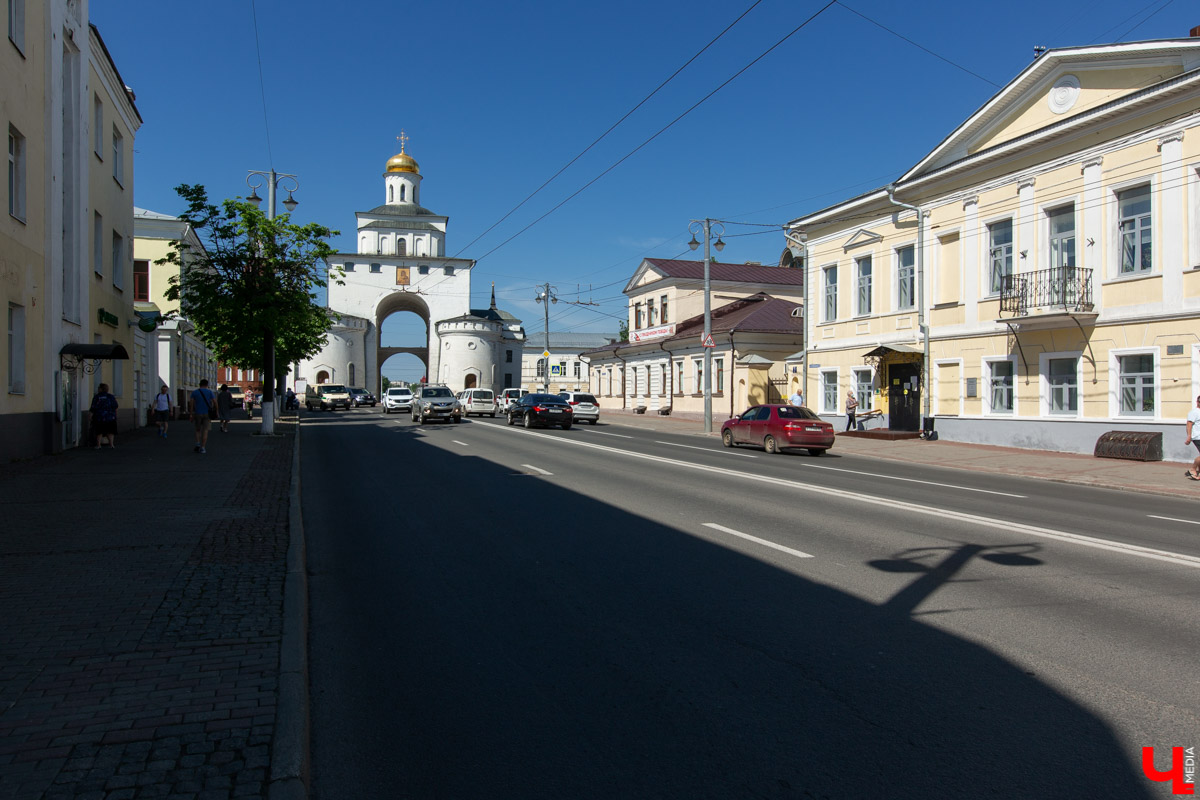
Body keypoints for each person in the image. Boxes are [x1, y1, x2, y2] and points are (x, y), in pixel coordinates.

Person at [189, 379, 216, 454]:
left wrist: (191, 414)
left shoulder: (195, 392)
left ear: (199, 384)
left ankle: (197, 443)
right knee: (205, 430)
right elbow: (215, 402)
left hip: (197, 413)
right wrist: (216, 411)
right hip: (207, 414)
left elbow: (191, 404)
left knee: (198, 429)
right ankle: (203, 447)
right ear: (207, 385)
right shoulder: (210, 392)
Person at [89, 383, 118, 449]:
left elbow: (93, 407)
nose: (98, 389)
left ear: (101, 389)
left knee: (99, 432)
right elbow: (115, 406)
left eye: (99, 388)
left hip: (99, 417)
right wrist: (115, 415)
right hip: (110, 417)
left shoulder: (97, 397)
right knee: (110, 431)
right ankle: (111, 444)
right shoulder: (110, 396)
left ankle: (99, 445)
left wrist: (90, 416)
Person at [1186, 394, 1200, 481]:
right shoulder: (1194, 412)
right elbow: (1189, 424)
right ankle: (1193, 469)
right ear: (1197, 402)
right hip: (1197, 437)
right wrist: (1189, 436)